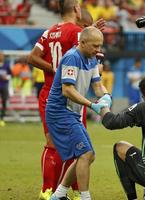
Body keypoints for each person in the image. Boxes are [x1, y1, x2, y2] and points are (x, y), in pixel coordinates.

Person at [27, 2, 97, 199]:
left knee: (63, 143)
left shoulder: (50, 31)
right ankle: (58, 190)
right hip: (68, 93)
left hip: (49, 91)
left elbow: (32, 58)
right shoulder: (76, 32)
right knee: (74, 144)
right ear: (76, 9)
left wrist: (53, 68)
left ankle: (54, 190)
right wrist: (60, 71)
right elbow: (84, 57)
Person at [48, 27, 110, 200]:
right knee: (85, 154)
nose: (99, 50)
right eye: (95, 46)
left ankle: (58, 195)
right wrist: (92, 105)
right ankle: (85, 198)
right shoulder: (72, 57)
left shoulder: (91, 59)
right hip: (60, 112)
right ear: (82, 43)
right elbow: (67, 90)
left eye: (100, 46)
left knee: (89, 156)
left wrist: (106, 97)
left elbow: (97, 86)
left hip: (71, 113)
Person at [0, 51, 11, 127]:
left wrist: (6, 77)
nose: (1, 57)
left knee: (4, 102)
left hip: (4, 86)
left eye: (2, 55)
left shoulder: (6, 65)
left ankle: (2, 119)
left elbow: (10, 75)